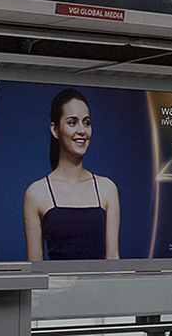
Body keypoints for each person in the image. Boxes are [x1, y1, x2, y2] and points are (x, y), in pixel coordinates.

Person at [25, 87, 120, 261]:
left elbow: (113, 259)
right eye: (72, 122)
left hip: (100, 288)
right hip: (56, 289)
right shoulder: (36, 193)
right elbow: (34, 271)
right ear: (55, 130)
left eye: (86, 122)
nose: (82, 130)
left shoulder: (107, 188)